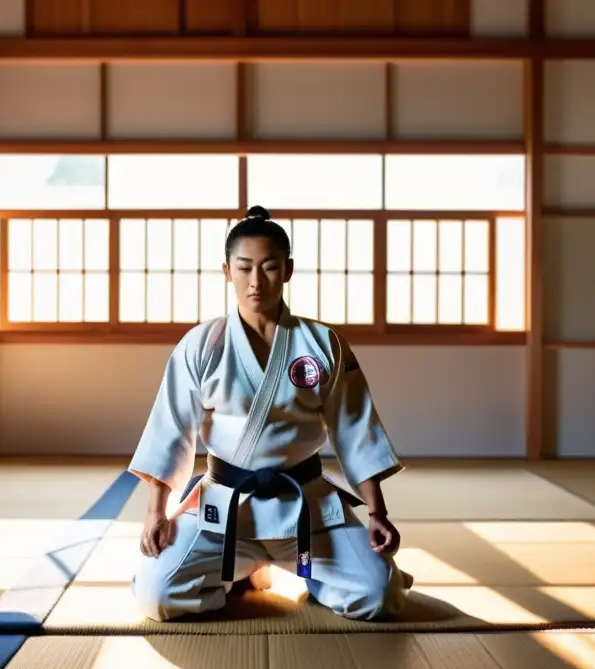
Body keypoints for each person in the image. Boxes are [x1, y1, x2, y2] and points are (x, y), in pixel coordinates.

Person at [127, 206, 412, 622]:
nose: (255, 282)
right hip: (225, 508)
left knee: (380, 596)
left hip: (305, 506)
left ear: (289, 269)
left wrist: (377, 513)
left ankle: (309, 576)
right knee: (157, 596)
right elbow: (172, 428)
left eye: (269, 267)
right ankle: (241, 572)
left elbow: (355, 429)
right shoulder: (202, 344)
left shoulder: (322, 343)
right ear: (227, 271)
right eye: (243, 268)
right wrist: (155, 512)